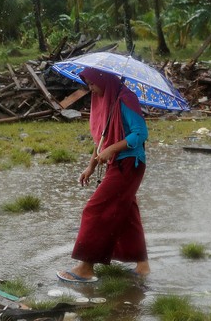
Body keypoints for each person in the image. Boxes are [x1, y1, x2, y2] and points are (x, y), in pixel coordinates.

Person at [58, 68, 150, 283]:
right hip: (116, 162)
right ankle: (142, 265)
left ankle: (85, 267)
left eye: (92, 83)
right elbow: (101, 139)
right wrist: (90, 166)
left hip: (130, 163)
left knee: (95, 209)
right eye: (87, 83)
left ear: (103, 79)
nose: (90, 88)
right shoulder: (105, 101)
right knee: (128, 214)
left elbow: (140, 133)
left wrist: (112, 149)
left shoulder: (126, 98)